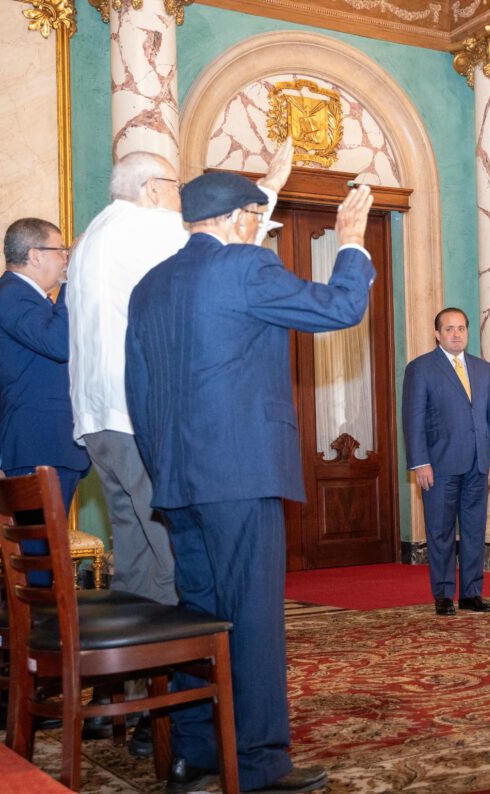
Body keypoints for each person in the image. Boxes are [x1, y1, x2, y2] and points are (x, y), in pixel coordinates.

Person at [125, 172, 375, 794]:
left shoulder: (151, 284)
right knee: (252, 618)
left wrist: (164, 469)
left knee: (199, 619)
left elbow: (139, 391)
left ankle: (195, 754)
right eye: (259, 220)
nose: (259, 231)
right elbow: (340, 308)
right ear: (240, 219)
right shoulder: (243, 265)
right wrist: (350, 242)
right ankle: (259, 765)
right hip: (239, 474)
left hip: (178, 480)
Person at [67, 141, 292, 606]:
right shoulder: (147, 225)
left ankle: (138, 646)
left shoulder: (91, 235)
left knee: (133, 544)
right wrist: (268, 187)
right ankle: (185, 644)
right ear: (152, 189)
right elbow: (223, 250)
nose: (182, 199)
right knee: (175, 547)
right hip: (134, 414)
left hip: (96, 418)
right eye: (177, 187)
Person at [401, 308, 490, 617]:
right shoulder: (421, 368)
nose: (456, 334)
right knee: (441, 532)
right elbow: (413, 420)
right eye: (449, 329)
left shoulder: (483, 369)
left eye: (461, 328)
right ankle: (444, 594)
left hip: (478, 465)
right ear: (437, 334)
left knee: (474, 531)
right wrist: (420, 462)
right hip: (439, 466)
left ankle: (472, 593)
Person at [0, 218, 89, 509]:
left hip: (49, 446)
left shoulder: (31, 298)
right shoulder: (11, 294)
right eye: (61, 250)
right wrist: (71, 281)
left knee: (47, 538)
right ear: (35, 255)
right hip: (37, 444)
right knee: (40, 538)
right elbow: (58, 343)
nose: (65, 259)